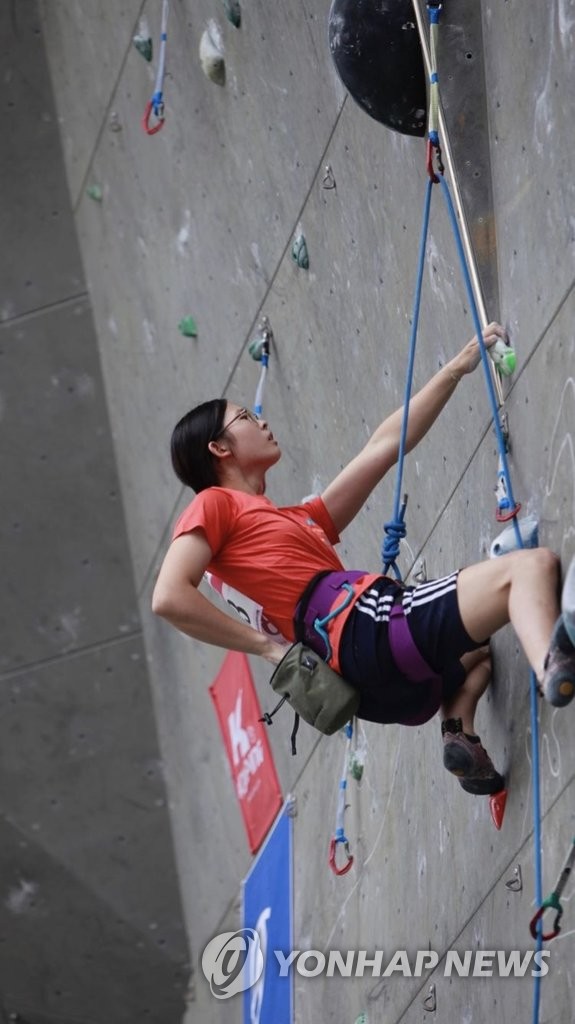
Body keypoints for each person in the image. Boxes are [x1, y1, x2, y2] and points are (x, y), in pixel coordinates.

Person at [152, 323, 575, 795]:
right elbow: (168, 596)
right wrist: (269, 650)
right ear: (219, 448)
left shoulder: (288, 523)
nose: (262, 422)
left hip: (370, 683)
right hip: (362, 627)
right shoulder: (214, 505)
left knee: (476, 655)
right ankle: (552, 667)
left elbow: (382, 446)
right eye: (247, 417)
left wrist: (457, 369)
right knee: (528, 569)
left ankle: (459, 729)